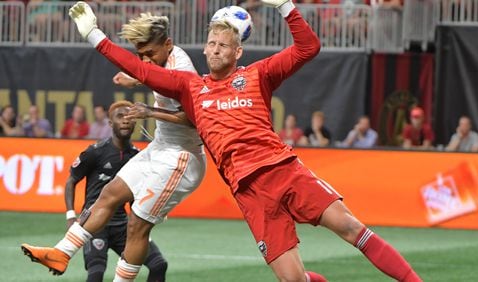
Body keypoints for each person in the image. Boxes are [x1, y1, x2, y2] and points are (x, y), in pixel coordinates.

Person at [22, 2, 421, 282]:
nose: (214, 51)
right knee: (292, 279)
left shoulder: (258, 75)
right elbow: (137, 66)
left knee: (353, 229)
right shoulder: (190, 87)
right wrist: (94, 35)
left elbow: (308, 48)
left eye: (222, 46)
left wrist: (285, 7)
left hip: (284, 172)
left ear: (238, 51)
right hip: (250, 194)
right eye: (210, 45)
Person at [21, 10, 206, 282]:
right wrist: (136, 78)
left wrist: (150, 113)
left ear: (168, 44)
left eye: (150, 53)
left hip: (181, 158)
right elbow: (153, 74)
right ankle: (61, 253)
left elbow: (196, 120)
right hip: (160, 148)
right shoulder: (161, 60)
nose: (146, 60)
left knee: (137, 225)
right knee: (108, 194)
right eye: (141, 54)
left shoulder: (183, 70)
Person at [65, 100, 167, 282]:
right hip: (96, 224)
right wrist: (71, 216)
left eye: (129, 117)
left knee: (159, 264)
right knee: (96, 273)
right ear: (110, 124)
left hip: (123, 225)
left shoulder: (138, 157)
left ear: (135, 122)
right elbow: (72, 180)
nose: (126, 120)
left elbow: (138, 195)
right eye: (120, 117)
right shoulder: (95, 152)